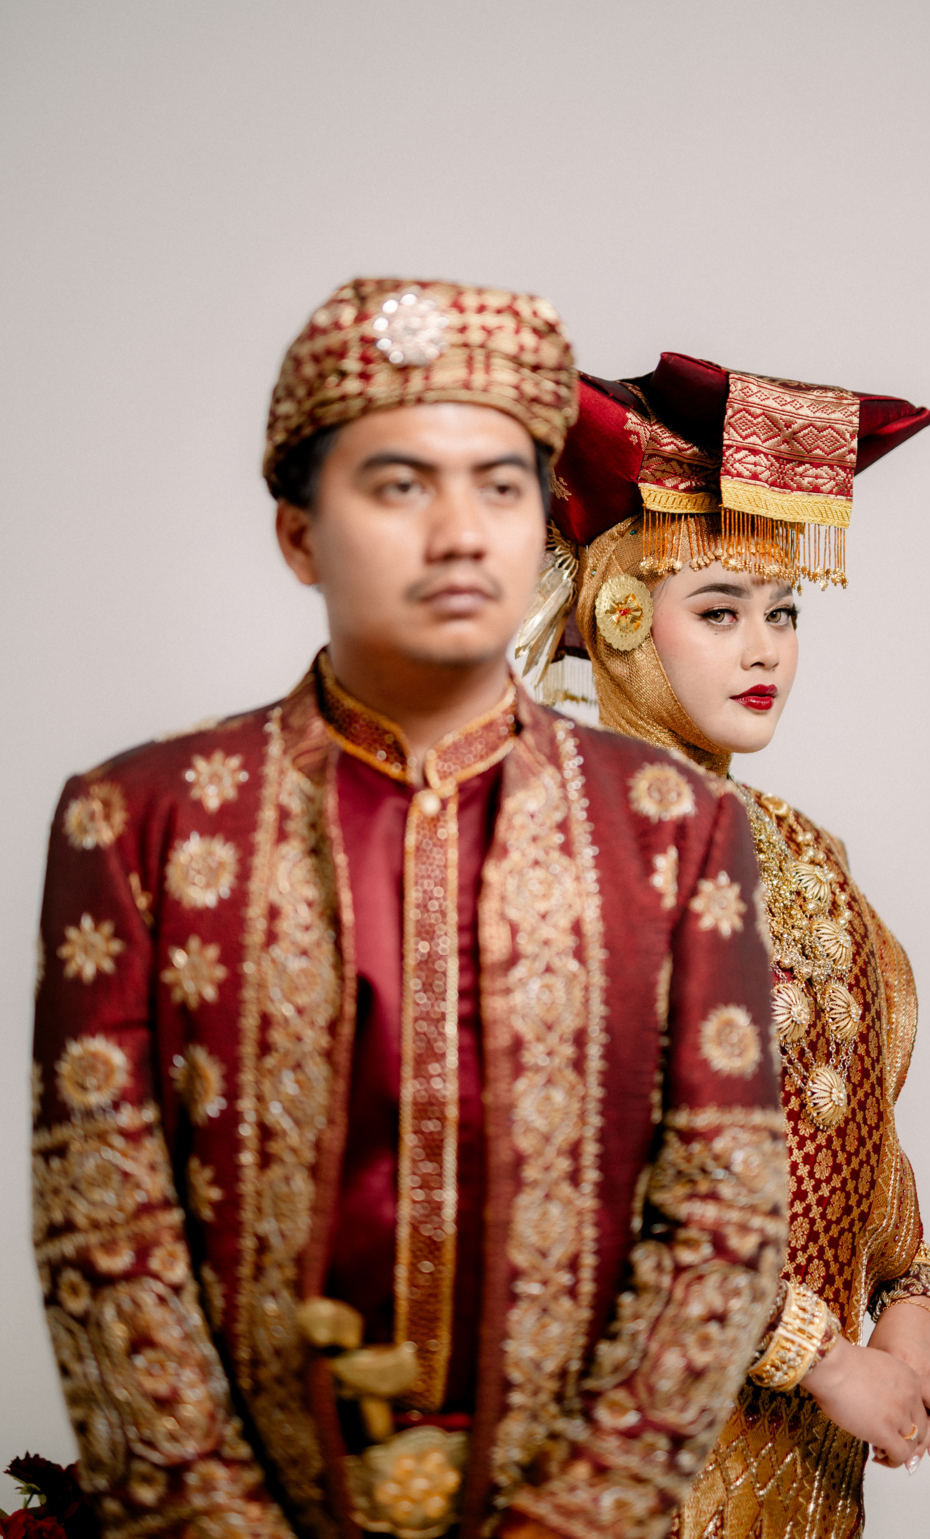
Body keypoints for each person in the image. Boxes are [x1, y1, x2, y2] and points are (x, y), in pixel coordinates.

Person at [31, 281, 789, 1539]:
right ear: (298, 536)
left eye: (500, 488)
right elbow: (107, 1235)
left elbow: (723, 1215)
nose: (459, 533)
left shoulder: (671, 827)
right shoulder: (141, 823)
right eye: (398, 486)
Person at [517, 355, 930, 1538]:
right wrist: (821, 1356)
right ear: (620, 619)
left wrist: (909, 1295)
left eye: (782, 611)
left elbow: (856, 1115)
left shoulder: (808, 853)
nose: (764, 651)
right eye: (718, 611)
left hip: (800, 1459)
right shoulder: (563, 848)